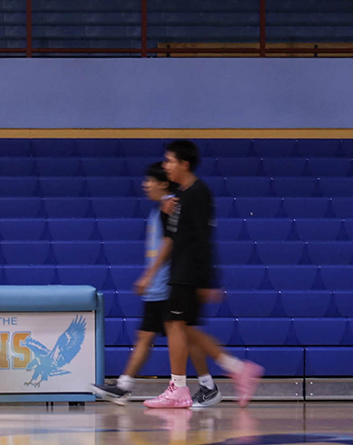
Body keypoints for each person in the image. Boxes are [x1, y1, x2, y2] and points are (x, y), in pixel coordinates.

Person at [143, 140, 263, 411]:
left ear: (184, 164)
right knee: (184, 328)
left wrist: (207, 280)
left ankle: (178, 387)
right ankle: (238, 370)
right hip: (181, 271)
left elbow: (203, 238)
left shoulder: (198, 193)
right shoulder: (181, 197)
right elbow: (174, 235)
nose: (166, 166)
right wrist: (166, 215)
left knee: (175, 325)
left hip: (188, 272)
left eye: (170, 161)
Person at [94, 163, 179, 402]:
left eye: (150, 180)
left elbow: (168, 246)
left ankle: (210, 380)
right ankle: (123, 385)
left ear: (163, 182)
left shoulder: (170, 206)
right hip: (158, 287)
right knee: (147, 335)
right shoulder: (158, 209)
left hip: (166, 286)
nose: (145, 184)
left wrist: (149, 276)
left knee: (182, 337)